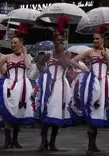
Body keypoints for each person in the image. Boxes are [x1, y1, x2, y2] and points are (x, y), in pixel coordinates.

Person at [70, 26, 109, 154]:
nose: (95, 41)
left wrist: (106, 57)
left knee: (100, 110)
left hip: (104, 83)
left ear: (103, 39)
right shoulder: (90, 52)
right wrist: (86, 70)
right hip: (92, 83)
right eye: (93, 39)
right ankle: (90, 145)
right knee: (91, 109)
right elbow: (73, 60)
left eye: (97, 39)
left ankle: (94, 144)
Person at [0, 26, 35, 149]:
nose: (12, 44)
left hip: (22, 87)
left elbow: (28, 66)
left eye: (15, 42)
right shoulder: (7, 57)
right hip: (10, 86)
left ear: (21, 43)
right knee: (8, 111)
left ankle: (15, 140)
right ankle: (7, 141)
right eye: (12, 42)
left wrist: (25, 52)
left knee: (18, 112)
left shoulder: (25, 56)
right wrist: (2, 79)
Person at [36, 21, 72, 152]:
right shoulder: (49, 54)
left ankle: (52, 142)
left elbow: (64, 65)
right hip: (48, 85)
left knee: (56, 114)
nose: (59, 42)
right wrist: (44, 73)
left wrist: (62, 52)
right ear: (54, 42)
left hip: (60, 86)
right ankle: (43, 142)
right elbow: (39, 64)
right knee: (46, 112)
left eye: (61, 40)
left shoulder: (67, 54)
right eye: (57, 40)